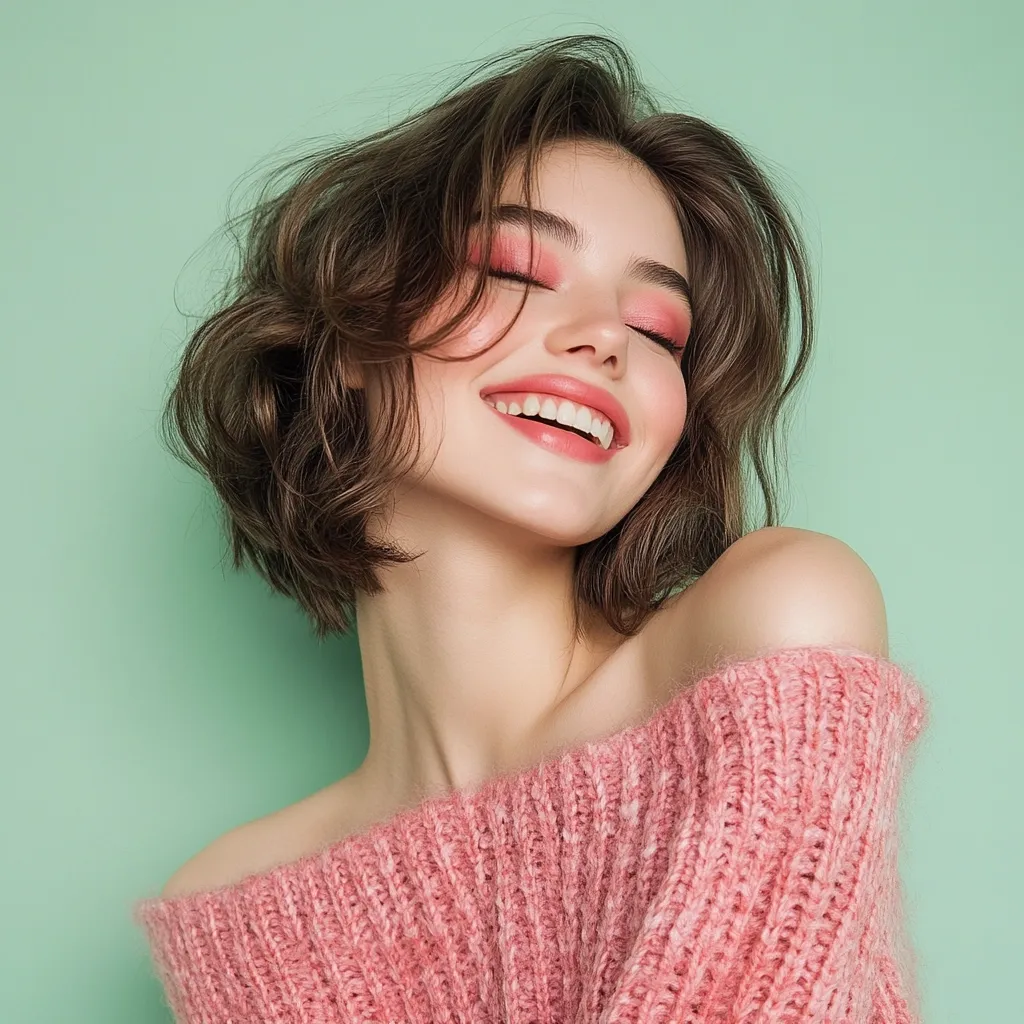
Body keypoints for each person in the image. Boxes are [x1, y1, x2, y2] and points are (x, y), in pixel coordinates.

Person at [133, 34, 929, 1023]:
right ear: (345, 336)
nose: (603, 337)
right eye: (513, 265)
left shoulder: (780, 624)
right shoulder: (238, 910)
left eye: (657, 331)